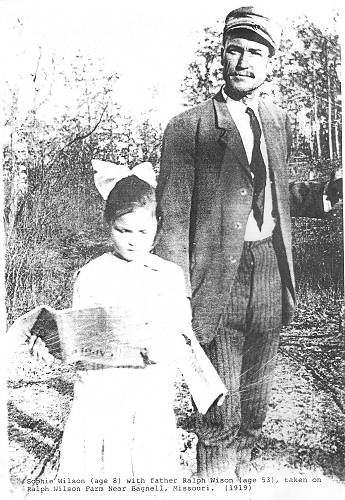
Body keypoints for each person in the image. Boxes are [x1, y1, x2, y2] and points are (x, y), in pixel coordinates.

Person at [154, 6, 342, 477]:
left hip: (272, 275)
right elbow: (172, 219)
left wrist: (323, 195)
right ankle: (215, 482)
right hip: (217, 283)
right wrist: (175, 294)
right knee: (218, 411)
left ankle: (243, 480)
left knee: (256, 408)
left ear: (270, 63)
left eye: (255, 52)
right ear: (220, 56)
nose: (243, 61)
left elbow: (273, 189)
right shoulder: (188, 127)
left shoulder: (276, 120)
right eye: (234, 49)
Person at [28, 160, 226, 479]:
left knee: (147, 462)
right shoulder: (92, 275)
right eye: (123, 231)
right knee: (103, 462)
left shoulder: (168, 275)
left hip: (149, 388)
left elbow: (182, 334)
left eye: (143, 232)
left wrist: (164, 344)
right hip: (102, 390)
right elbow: (80, 337)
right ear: (108, 226)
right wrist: (54, 342)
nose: (133, 240)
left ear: (158, 228)